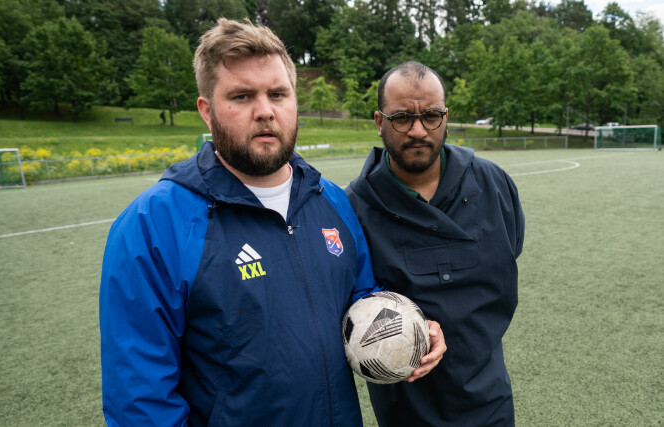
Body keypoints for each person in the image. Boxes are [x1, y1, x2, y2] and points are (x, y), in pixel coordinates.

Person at [99, 21, 444, 427]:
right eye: (242, 96)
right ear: (207, 112)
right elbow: (139, 400)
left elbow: (361, 297)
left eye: (277, 94)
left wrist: (412, 326)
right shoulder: (152, 225)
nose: (265, 110)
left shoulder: (331, 200)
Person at [346, 61, 525, 426]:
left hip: (490, 400)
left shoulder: (494, 185)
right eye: (401, 118)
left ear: (446, 117)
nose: (417, 130)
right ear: (379, 122)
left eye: (431, 116)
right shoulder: (354, 208)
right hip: (406, 411)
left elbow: (510, 250)